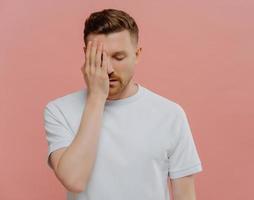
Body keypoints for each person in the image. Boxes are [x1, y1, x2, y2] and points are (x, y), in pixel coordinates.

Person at [43, 8, 203, 200]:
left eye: (119, 57)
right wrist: (96, 97)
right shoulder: (59, 110)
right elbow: (74, 180)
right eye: (100, 57)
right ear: (86, 55)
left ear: (137, 54)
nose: (109, 68)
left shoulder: (170, 114)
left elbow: (185, 194)